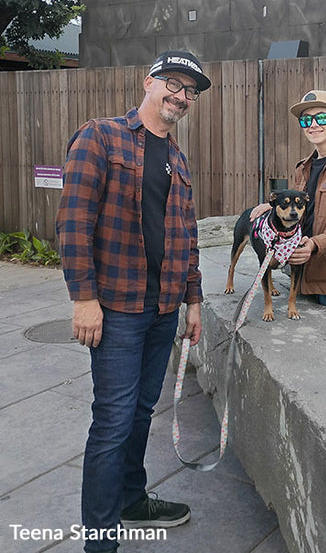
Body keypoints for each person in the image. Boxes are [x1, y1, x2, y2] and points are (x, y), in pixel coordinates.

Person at [57, 50, 208, 553]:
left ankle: (132, 499)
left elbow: (185, 236)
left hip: (164, 310)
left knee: (142, 413)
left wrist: (194, 300)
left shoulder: (179, 160)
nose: (181, 96)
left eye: (189, 91)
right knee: (113, 422)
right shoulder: (100, 137)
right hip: (117, 309)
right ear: (148, 83)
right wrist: (83, 299)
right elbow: (73, 222)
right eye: (173, 84)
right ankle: (100, 543)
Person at [251, 90, 326, 323]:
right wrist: (270, 208)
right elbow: (300, 209)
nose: (313, 124)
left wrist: (314, 245)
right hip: (304, 274)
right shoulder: (303, 167)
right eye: (306, 120)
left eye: (322, 118)